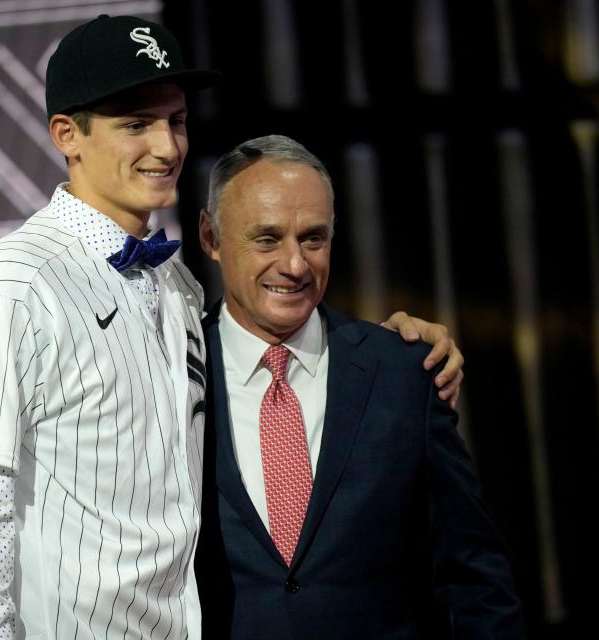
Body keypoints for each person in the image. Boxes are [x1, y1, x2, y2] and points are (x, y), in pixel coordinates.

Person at [0, 15, 464, 640]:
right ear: (68, 134)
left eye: (175, 121)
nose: (168, 147)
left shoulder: (176, 288)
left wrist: (389, 345)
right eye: (136, 124)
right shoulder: (8, 284)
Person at [195, 135, 524, 638]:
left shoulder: (405, 373)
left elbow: (474, 572)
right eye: (266, 239)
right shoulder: (167, 373)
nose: (295, 265)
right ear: (211, 237)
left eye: (313, 238)